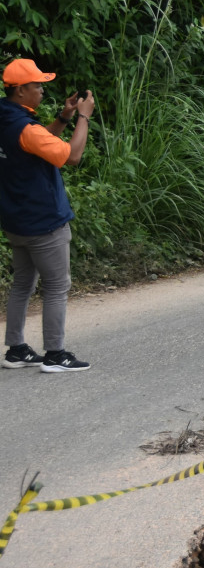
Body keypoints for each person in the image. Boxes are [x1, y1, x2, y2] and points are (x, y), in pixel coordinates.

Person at [0, 58, 95, 372]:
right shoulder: (24, 126)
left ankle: (16, 349)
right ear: (20, 90)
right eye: (37, 85)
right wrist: (83, 117)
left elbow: (39, 144)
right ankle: (55, 354)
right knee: (56, 286)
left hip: (15, 219)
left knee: (22, 283)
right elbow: (71, 156)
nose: (42, 90)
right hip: (42, 220)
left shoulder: (8, 117)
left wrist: (64, 117)